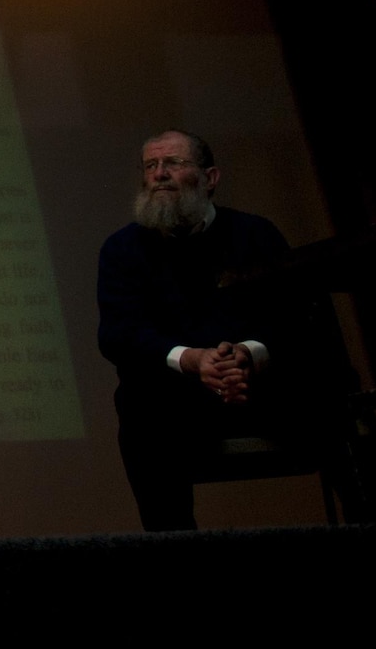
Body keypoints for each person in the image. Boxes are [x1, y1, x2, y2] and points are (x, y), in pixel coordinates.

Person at [95, 130, 297, 531]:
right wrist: (191, 360)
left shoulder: (256, 235)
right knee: (138, 404)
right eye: (151, 166)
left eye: (174, 163)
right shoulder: (122, 249)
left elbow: (291, 316)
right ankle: (178, 558)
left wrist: (245, 355)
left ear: (211, 177)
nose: (160, 175)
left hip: (259, 387)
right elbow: (118, 334)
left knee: (331, 380)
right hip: (177, 401)